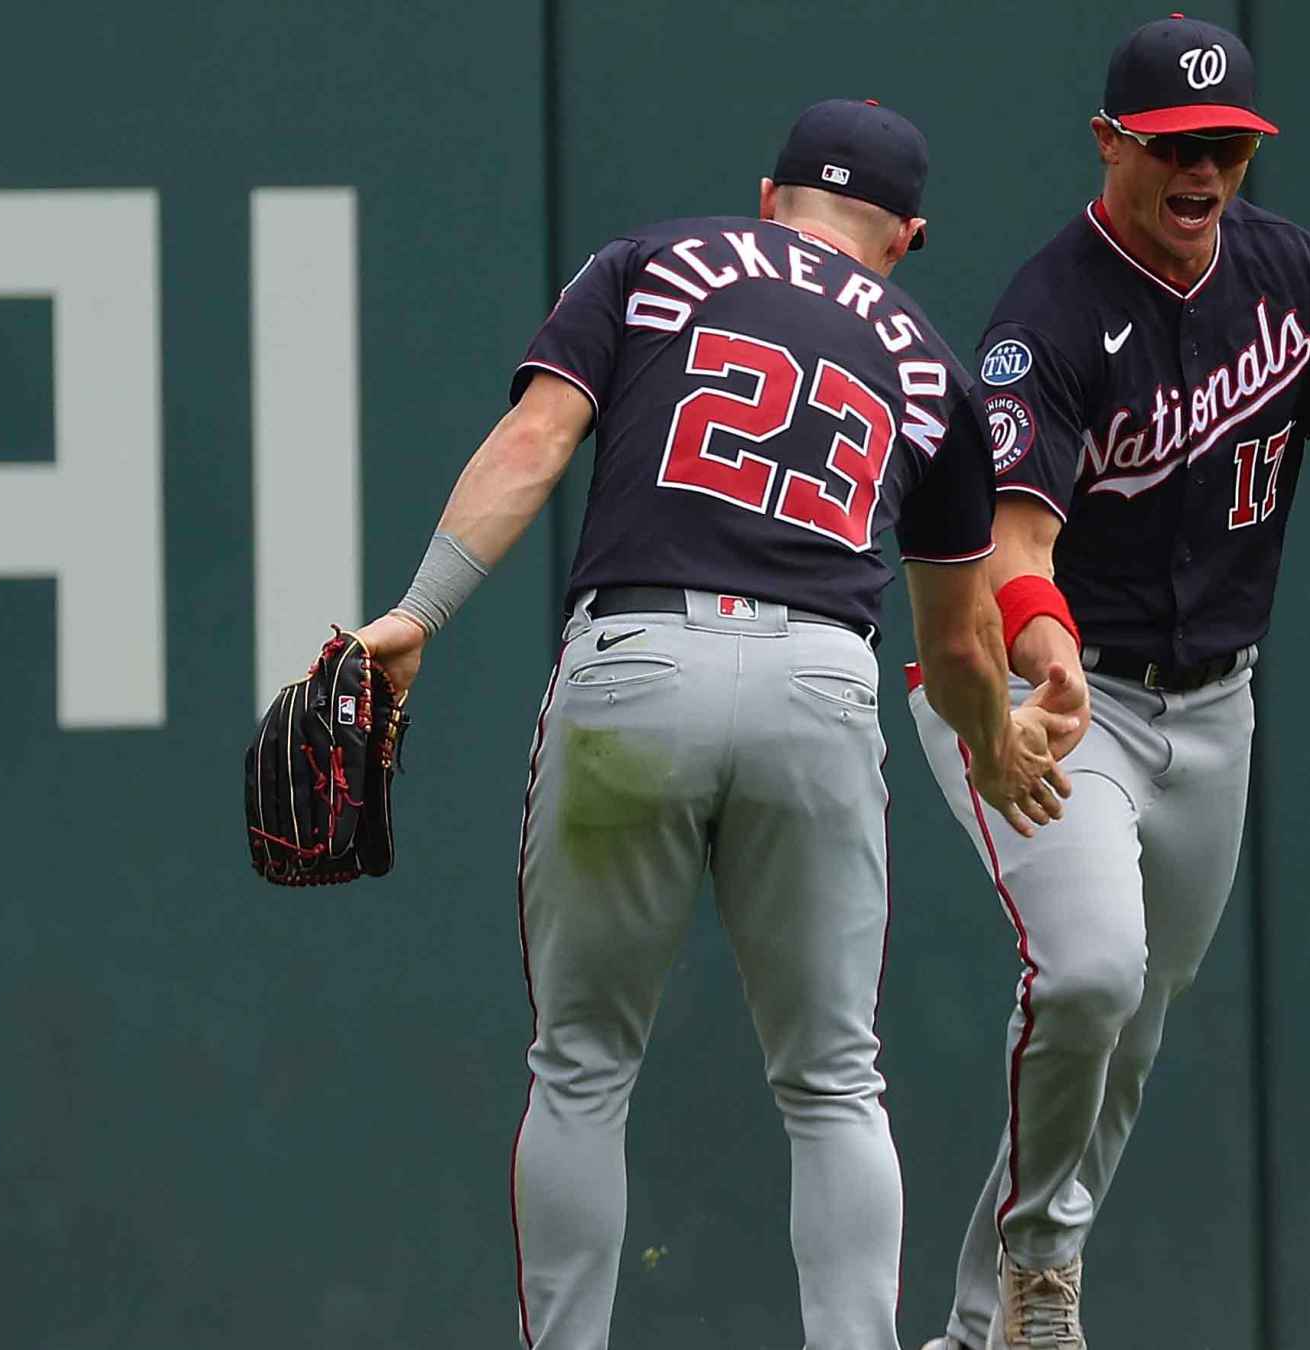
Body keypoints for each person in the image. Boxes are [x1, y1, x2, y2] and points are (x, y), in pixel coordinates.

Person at [345, 98, 1080, 1350]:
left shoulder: (653, 262)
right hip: (818, 685)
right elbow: (957, 650)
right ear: (906, 236)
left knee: (581, 1067)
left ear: (767, 197)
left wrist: (418, 612)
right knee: (835, 1083)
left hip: (638, 665)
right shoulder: (931, 363)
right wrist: (998, 743)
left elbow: (535, 439)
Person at [908, 17, 1310, 1350]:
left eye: (1227, 148)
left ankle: (988, 1328)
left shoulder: (1290, 275)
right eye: (1174, 145)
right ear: (1111, 144)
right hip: (1044, 691)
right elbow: (1017, 549)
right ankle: (1036, 1284)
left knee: (1131, 1020)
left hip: (1216, 704)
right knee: (1088, 973)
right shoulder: (1048, 318)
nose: (1201, 171)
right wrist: (1052, 665)